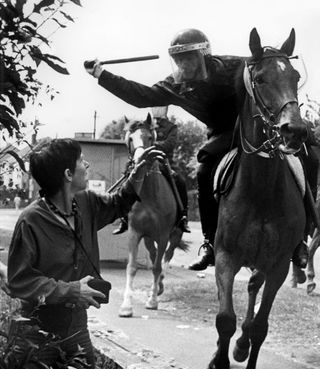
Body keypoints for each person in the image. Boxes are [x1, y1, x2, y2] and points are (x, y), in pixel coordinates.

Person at [85, 28, 310, 271]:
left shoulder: (234, 65)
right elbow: (140, 96)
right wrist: (101, 74)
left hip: (255, 128)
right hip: (222, 137)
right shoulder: (175, 86)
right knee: (203, 171)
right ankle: (210, 243)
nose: (184, 64)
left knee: (306, 157)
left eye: (189, 57)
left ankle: (300, 240)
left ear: (203, 54)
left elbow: (268, 67)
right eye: (179, 59)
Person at [6, 138, 165, 369]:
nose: (87, 164)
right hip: (35, 332)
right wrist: (71, 290)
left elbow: (120, 203)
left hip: (76, 328)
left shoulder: (86, 203)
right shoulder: (31, 220)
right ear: (68, 175)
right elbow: (19, 281)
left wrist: (138, 172)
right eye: (81, 160)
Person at [113, 105, 190, 234]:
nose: (158, 109)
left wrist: (151, 146)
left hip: (164, 160)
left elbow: (170, 144)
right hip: (141, 159)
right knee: (125, 177)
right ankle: (124, 218)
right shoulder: (144, 124)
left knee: (180, 181)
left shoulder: (172, 127)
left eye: (161, 107)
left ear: (166, 109)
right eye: (155, 106)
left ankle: (182, 217)